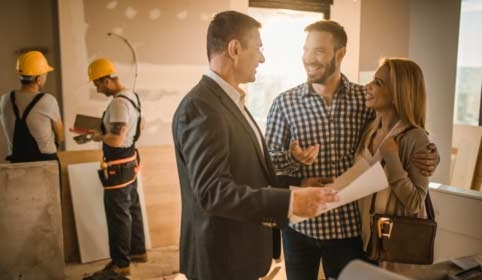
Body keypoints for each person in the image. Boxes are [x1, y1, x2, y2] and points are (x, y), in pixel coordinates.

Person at [172, 11, 339, 280]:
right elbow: (212, 192)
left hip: (237, 255)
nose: (261, 58)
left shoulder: (228, 102)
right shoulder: (202, 107)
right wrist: (291, 201)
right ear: (235, 48)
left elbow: (246, 173)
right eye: (259, 48)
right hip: (221, 260)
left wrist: (296, 186)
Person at [265, 20, 439, 279]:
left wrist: (430, 152)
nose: (309, 59)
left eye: (319, 51)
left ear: (341, 52)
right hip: (300, 228)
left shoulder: (366, 100)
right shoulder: (283, 104)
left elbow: (402, 125)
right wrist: (293, 160)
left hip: (350, 231)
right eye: (306, 50)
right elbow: (269, 165)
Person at [358, 58, 431, 272]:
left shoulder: (415, 137)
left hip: (395, 251)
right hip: (365, 244)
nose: (368, 86)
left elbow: (416, 202)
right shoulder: (370, 130)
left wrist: (392, 159)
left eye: (378, 83)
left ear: (399, 92)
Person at [77, 58, 146, 278]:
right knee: (131, 207)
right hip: (130, 159)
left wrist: (95, 136)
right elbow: (140, 127)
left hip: (117, 164)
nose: (97, 89)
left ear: (107, 80)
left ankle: (120, 264)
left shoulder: (118, 103)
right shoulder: (131, 97)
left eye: (97, 84)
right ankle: (137, 252)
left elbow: (116, 139)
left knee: (118, 213)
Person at [0, 50, 64, 162]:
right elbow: (60, 136)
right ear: (38, 79)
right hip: (45, 166)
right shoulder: (48, 100)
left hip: (17, 165)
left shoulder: (4, 100)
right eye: (45, 75)